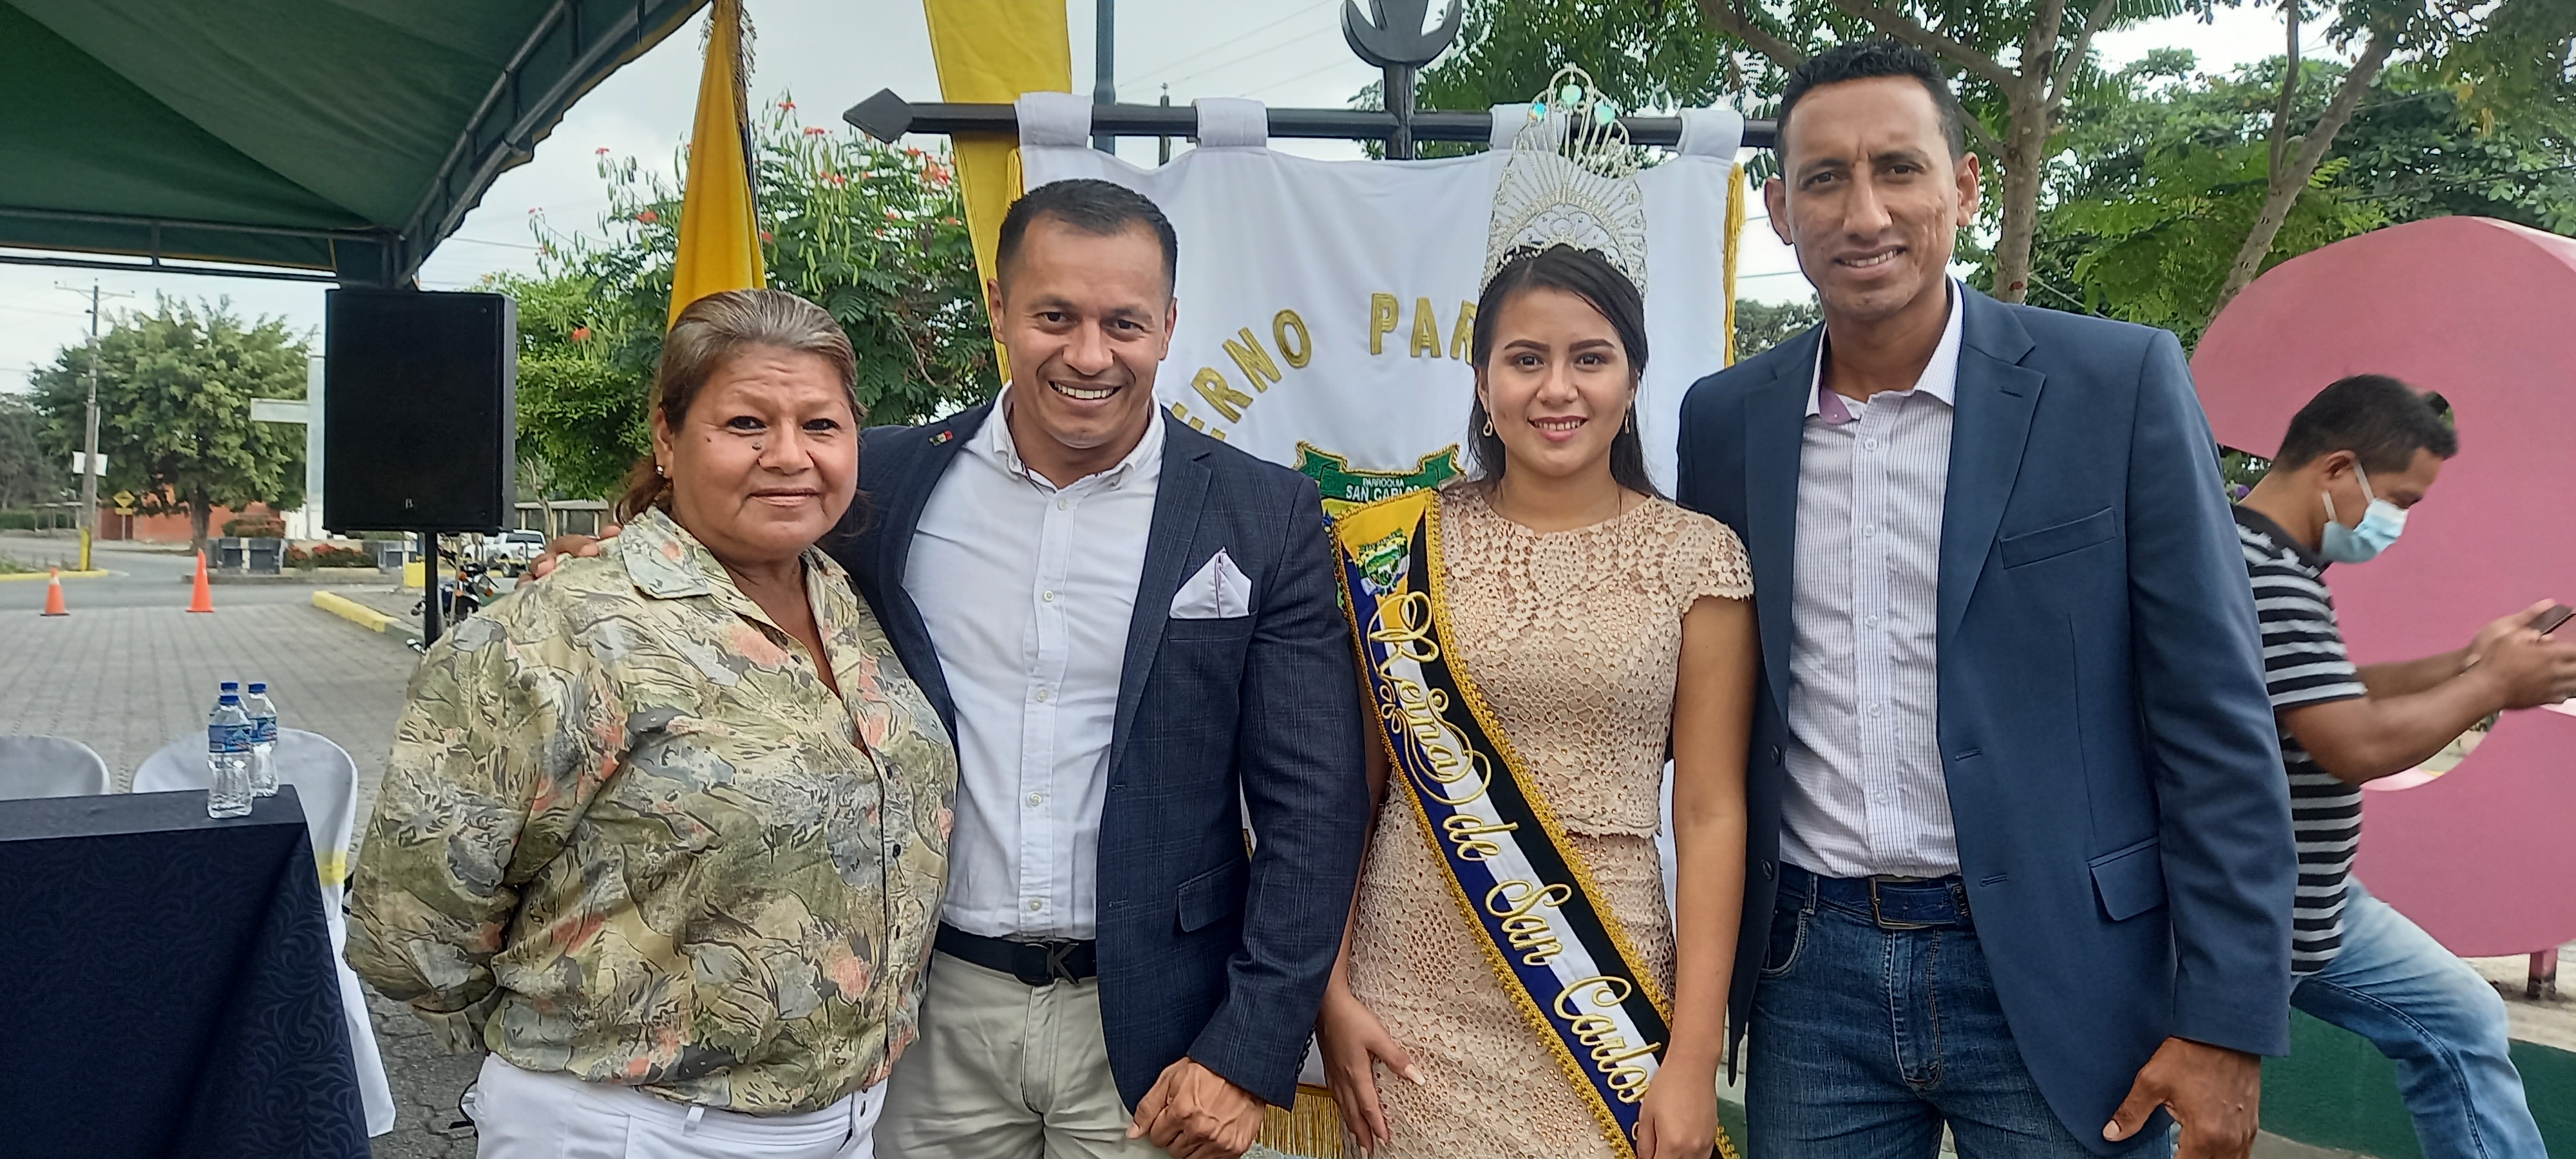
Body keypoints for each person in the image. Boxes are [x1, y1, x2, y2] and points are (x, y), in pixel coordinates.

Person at [545, 179, 1370, 1158]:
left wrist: (1247, 1050)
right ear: (999, 307)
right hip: (920, 1016)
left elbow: (1311, 805)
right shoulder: (880, 482)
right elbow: (732, 548)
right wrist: (613, 561)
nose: (1089, 354)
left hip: (1160, 1030)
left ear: (1169, 325)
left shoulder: (1262, 511)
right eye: (1055, 317)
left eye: (1123, 323)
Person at [1673, 40, 2295, 1159]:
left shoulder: (2116, 386)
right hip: (1811, 978)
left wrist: (2226, 1019)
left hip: (2066, 974)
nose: (1864, 213)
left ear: (1964, 187)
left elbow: (2216, 720)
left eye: (1899, 169)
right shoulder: (1725, 422)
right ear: (1779, 210)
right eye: (1825, 179)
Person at [346, 288, 959, 1159]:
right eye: (746, 424)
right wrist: (558, 1041)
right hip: (631, 1125)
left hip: (845, 1121)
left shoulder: (850, 603)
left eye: (820, 426)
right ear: (668, 438)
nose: (789, 455)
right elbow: (410, 924)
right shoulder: (559, 633)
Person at [1317, 239, 1757, 1158]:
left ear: (1631, 381)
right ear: (1484, 384)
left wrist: (1692, 1057)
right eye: (1525, 360)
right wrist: (1331, 991)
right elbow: (1351, 794)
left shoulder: (1699, 558)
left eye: (1589, 359)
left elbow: (1710, 812)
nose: (1558, 389)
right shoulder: (1391, 549)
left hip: (1603, 987)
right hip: (1410, 996)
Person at [2231, 373, 2576, 1159]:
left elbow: (2330, 691)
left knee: (2462, 1017)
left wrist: (2468, 664)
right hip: (2257, 908)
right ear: (2335, 468)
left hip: (2316, 901)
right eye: (2398, 501)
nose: (2396, 524)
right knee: (2192, 1113)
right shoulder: (2265, 575)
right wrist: (2492, 687)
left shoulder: (2270, 558)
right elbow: (2353, 745)